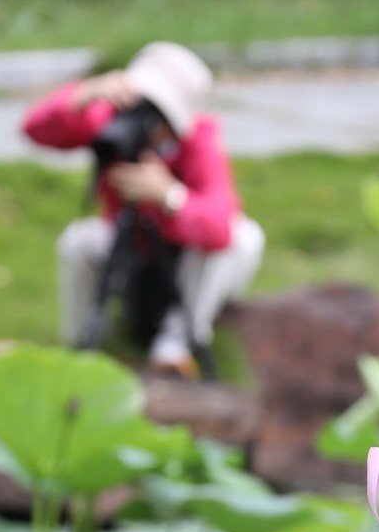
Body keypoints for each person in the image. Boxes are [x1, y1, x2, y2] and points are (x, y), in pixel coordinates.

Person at [21, 41, 265, 377]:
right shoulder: (111, 124)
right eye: (137, 102)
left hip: (183, 256)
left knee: (245, 237)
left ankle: (175, 346)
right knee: (78, 241)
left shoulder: (199, 141)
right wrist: (87, 92)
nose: (140, 117)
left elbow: (221, 226)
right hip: (131, 246)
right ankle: (81, 341)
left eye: (155, 110)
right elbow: (35, 129)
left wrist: (169, 196)